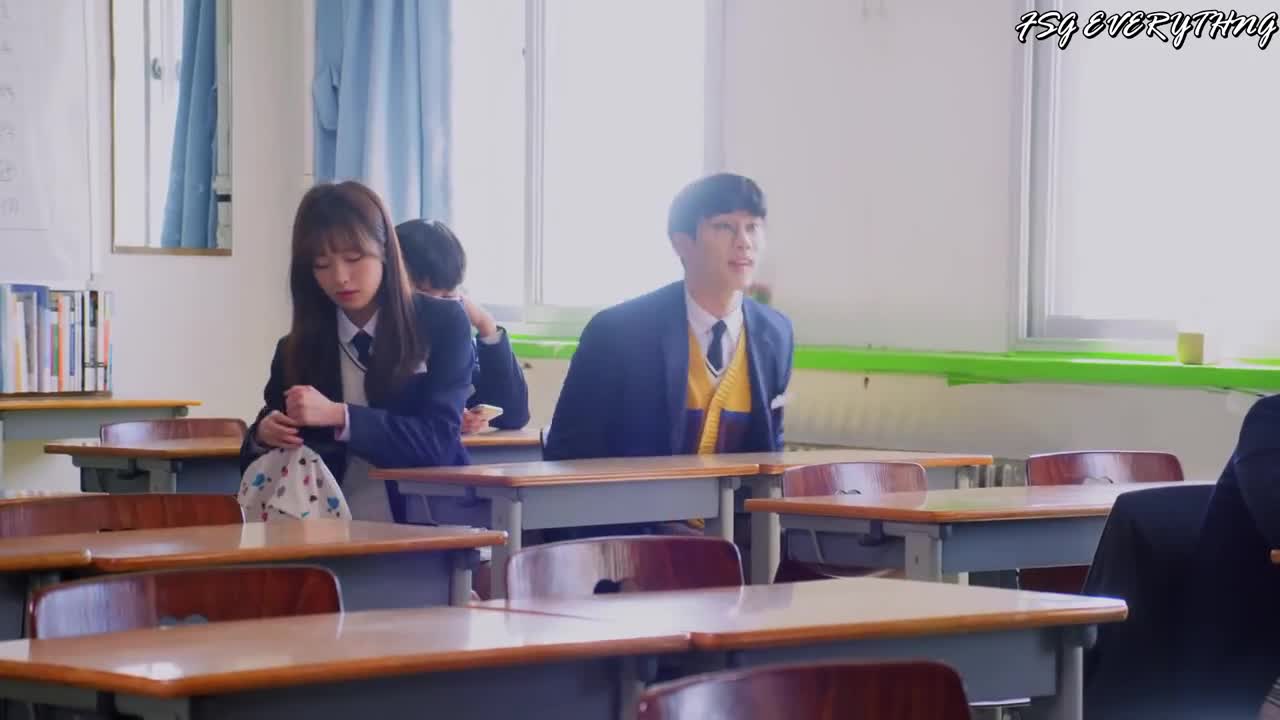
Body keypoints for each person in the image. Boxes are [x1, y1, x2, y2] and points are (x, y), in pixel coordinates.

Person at [541, 173, 792, 540]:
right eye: (724, 227)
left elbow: (770, 457)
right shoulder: (619, 332)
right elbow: (569, 458)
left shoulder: (776, 333)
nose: (744, 242)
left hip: (737, 543)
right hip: (630, 539)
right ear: (682, 243)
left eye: (753, 227)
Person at [239, 181, 476, 522]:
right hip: (326, 524)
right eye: (321, 264)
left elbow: (438, 442)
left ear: (386, 252)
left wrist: (341, 416)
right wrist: (263, 435)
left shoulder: (442, 323)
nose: (340, 277)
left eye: (354, 259)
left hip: (429, 519)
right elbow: (257, 463)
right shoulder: (296, 347)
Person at [396, 218, 531, 432]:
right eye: (427, 294)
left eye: (448, 295)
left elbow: (513, 415)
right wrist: (442, 419)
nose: (442, 307)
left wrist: (486, 325)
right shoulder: (377, 335)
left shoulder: (454, 334)